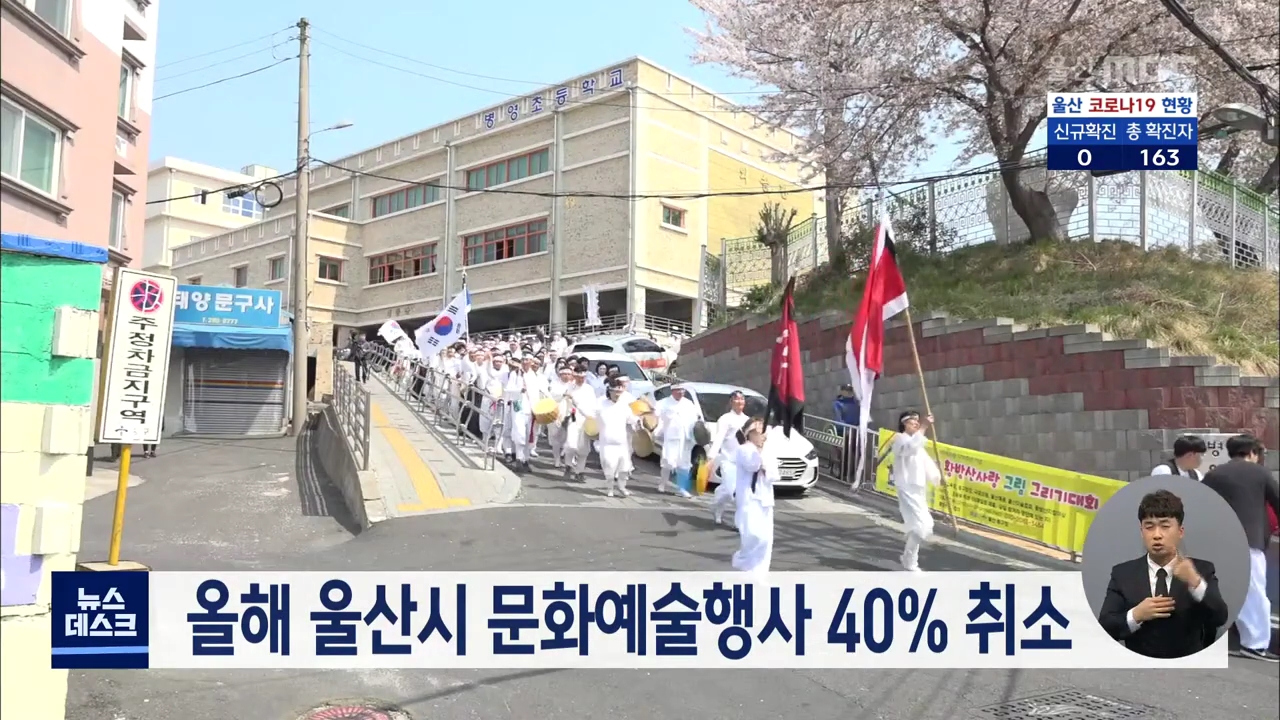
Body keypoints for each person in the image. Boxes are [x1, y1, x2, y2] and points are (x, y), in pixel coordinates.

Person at [1097, 490, 1229, 659]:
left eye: (1165, 526)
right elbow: (1106, 627)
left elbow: (1219, 617)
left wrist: (1195, 582)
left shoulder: (1202, 570)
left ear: (1180, 531)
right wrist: (1136, 615)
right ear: (1141, 531)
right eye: (1149, 527)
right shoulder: (1123, 573)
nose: (1157, 535)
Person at [1201, 434, 1280, 662]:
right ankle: (1256, 645)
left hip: (1220, 541)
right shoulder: (1260, 473)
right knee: (1254, 593)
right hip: (1249, 540)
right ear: (1253, 453)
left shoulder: (1214, 474)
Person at [890, 410, 939, 572]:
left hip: (918, 488)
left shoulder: (918, 443)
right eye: (913, 421)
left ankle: (908, 559)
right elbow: (909, 449)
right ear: (904, 423)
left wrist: (937, 477)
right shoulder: (899, 439)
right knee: (921, 525)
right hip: (906, 487)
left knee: (924, 525)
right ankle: (910, 562)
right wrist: (924, 427)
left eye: (918, 421)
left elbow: (926, 463)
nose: (916, 423)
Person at [732, 424, 776, 575]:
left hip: (765, 498)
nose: (762, 435)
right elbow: (752, 465)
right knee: (753, 535)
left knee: (766, 539)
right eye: (758, 432)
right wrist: (760, 455)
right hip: (749, 498)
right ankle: (743, 562)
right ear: (749, 434)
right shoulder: (743, 450)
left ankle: (759, 573)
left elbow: (775, 474)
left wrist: (766, 468)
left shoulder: (768, 451)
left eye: (764, 432)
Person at [708, 391, 752, 525]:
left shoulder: (748, 420)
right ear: (731, 402)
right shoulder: (725, 419)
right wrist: (711, 456)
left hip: (743, 463)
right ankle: (716, 504)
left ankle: (738, 523)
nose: (740, 402)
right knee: (728, 490)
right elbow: (719, 438)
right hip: (728, 460)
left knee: (742, 495)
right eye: (737, 399)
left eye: (742, 399)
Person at [595, 377, 639, 497]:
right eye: (615, 392)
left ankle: (622, 487)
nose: (617, 394)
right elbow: (591, 417)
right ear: (609, 391)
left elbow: (631, 419)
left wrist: (639, 421)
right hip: (606, 442)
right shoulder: (600, 404)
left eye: (620, 392)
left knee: (624, 468)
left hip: (622, 443)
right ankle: (610, 488)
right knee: (609, 467)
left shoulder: (624, 406)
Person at [503, 354, 547, 473]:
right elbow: (508, 389)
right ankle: (518, 458)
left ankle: (525, 460)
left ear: (531, 362)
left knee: (529, 435)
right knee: (519, 434)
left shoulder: (534, 375)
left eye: (527, 359)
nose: (525, 361)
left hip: (531, 409)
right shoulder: (515, 373)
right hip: (518, 407)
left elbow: (541, 390)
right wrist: (519, 390)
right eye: (523, 359)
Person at [653, 383, 699, 498]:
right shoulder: (663, 403)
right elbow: (656, 417)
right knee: (668, 462)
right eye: (678, 390)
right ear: (673, 391)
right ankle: (662, 483)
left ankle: (682, 489)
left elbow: (695, 419)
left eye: (682, 390)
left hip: (686, 439)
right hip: (671, 438)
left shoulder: (689, 403)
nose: (681, 392)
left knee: (684, 465)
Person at [562, 363, 599, 482]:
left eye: (583, 377)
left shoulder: (589, 389)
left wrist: (593, 419)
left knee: (583, 448)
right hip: (573, 419)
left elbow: (593, 406)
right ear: (575, 376)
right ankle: (568, 465)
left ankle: (580, 471)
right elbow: (564, 403)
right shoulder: (570, 387)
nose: (581, 379)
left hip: (585, 420)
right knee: (571, 445)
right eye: (578, 377)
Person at [546, 365, 576, 468]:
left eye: (569, 374)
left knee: (568, 438)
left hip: (569, 414)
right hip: (556, 413)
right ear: (560, 375)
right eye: (564, 374)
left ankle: (568, 459)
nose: (566, 376)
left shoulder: (573, 385)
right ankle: (557, 459)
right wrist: (564, 394)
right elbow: (552, 396)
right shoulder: (554, 384)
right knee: (555, 437)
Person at [832, 384, 861, 484]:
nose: (848, 393)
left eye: (850, 391)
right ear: (842, 391)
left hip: (855, 431)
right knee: (845, 452)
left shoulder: (856, 403)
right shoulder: (838, 403)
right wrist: (846, 429)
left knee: (857, 453)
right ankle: (843, 473)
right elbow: (838, 419)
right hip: (843, 432)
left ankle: (853, 474)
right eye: (846, 391)